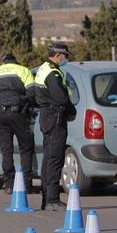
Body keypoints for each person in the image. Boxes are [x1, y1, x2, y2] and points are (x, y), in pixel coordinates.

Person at [34, 42, 76, 211]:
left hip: (47, 117)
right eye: (64, 55)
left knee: (48, 158)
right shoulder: (53, 74)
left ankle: (47, 197)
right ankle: (52, 199)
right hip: (55, 117)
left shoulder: (43, 68)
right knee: (55, 159)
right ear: (58, 55)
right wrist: (71, 109)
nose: (65, 59)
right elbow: (60, 97)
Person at [0, 53, 36, 194]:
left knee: (6, 150)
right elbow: (32, 93)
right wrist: (29, 107)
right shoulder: (23, 70)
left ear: (3, 62)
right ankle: (26, 185)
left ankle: (9, 185)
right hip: (17, 112)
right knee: (26, 147)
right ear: (16, 61)